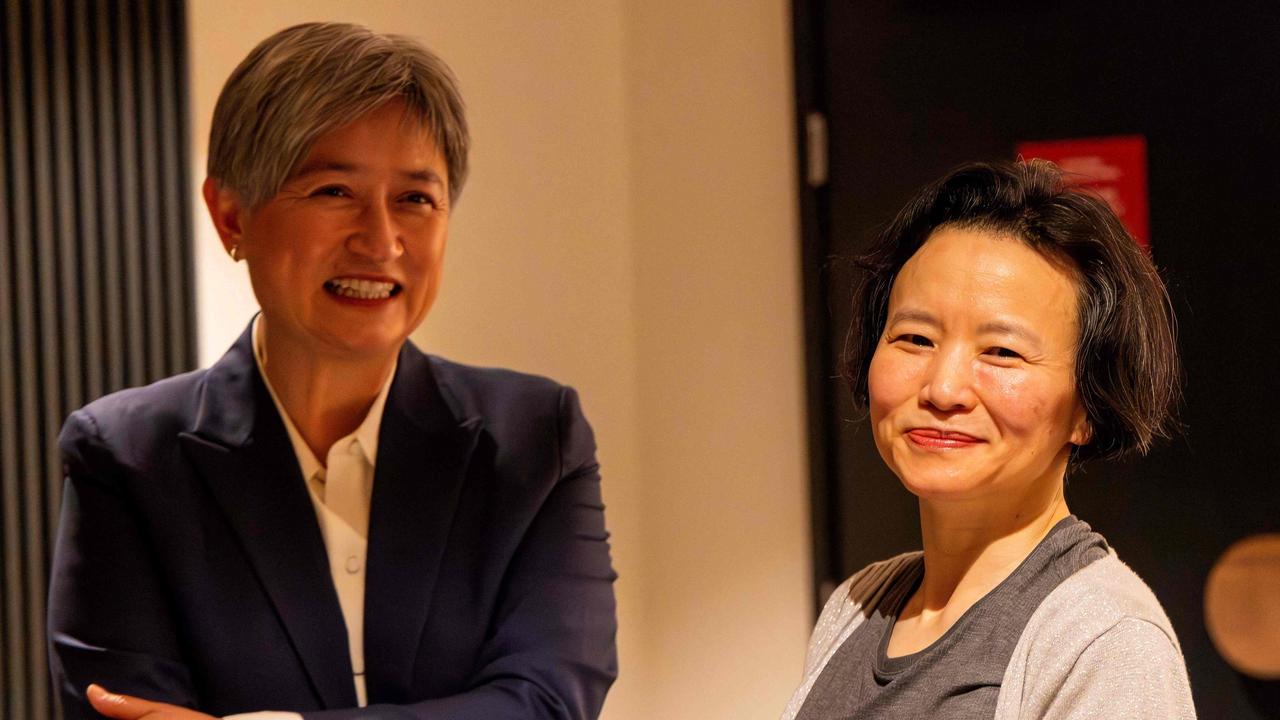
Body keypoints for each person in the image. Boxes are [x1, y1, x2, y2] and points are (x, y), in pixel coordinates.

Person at [47, 22, 617, 720]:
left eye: (415, 199)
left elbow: (549, 704)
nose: (380, 240)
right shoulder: (127, 456)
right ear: (231, 216)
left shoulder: (532, 439)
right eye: (332, 192)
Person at [781, 160, 1196, 719]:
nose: (944, 388)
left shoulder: (1105, 644)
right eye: (915, 337)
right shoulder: (856, 606)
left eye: (1002, 351)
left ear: (1088, 406)